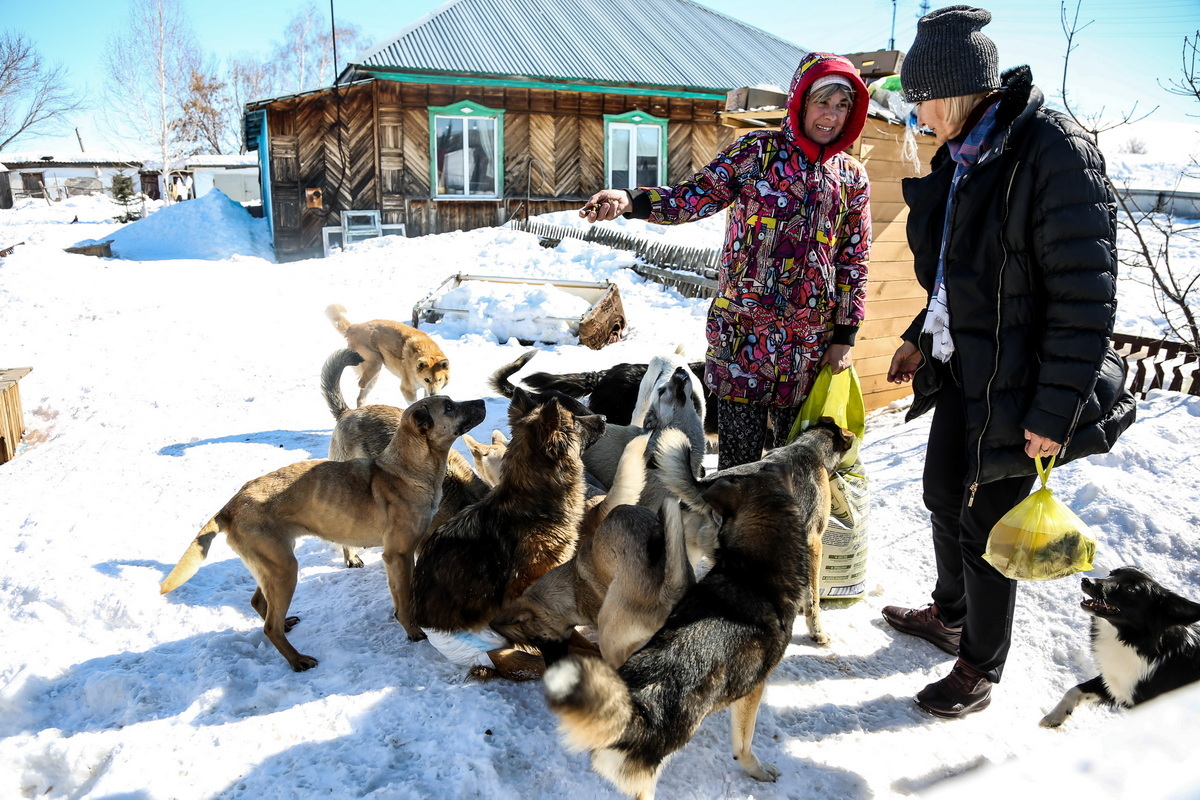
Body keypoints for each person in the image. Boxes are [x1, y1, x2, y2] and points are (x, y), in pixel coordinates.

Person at [881, 5, 1136, 718]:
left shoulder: (1053, 150)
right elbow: (963, 272)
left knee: (987, 525)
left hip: (1023, 382)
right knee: (940, 493)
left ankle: (979, 667)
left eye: (920, 97)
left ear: (957, 88)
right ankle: (951, 614)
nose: (915, 112)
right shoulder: (966, 152)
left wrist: (1052, 414)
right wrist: (917, 333)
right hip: (970, 365)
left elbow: (1086, 299)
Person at [581, 52, 871, 470]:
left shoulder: (851, 177)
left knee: (795, 467)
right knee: (737, 466)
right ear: (801, 103)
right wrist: (631, 201)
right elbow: (694, 195)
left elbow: (854, 259)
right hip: (743, 338)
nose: (831, 115)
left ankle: (778, 535)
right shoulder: (757, 152)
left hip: (808, 346)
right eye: (822, 102)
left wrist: (845, 335)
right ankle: (728, 536)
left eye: (842, 105)